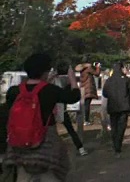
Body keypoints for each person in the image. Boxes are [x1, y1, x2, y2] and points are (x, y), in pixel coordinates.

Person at [4, 53, 81, 181]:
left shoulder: (13, 91)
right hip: (45, 145)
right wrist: (72, 77)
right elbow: (74, 97)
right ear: (45, 71)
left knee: (23, 176)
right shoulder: (51, 90)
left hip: (20, 147)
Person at [102, 62, 130, 157]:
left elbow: (105, 93)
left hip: (112, 106)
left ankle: (115, 145)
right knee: (121, 127)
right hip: (124, 107)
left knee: (114, 126)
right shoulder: (126, 80)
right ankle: (118, 145)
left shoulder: (109, 80)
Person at [79, 60, 101, 125]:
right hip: (88, 88)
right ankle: (86, 120)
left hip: (83, 88)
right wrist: (98, 67)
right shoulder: (89, 68)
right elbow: (97, 74)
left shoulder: (82, 69)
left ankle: (83, 119)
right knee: (87, 105)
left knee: (84, 104)